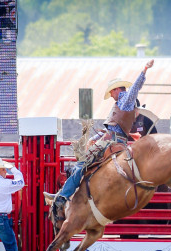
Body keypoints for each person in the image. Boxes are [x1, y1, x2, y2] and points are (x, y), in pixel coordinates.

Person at [53, 59, 155, 208]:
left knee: (81, 164)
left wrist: (145, 69)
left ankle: (63, 196)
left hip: (111, 141)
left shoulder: (125, 99)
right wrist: (93, 138)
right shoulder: (121, 102)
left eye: (111, 92)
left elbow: (135, 88)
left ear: (116, 90)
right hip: (113, 139)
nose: (111, 95)